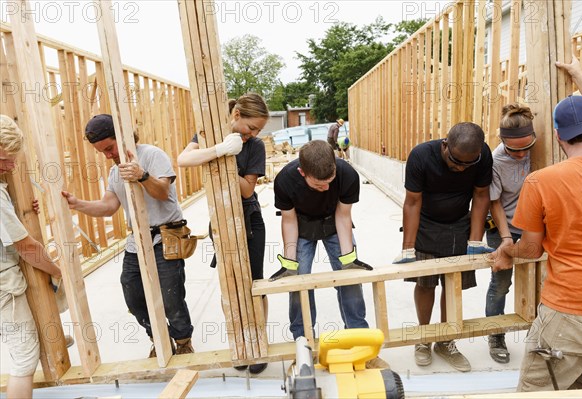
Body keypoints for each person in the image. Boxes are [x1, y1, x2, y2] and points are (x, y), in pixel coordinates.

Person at [489, 94, 582, 391]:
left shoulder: (543, 181)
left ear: (557, 135)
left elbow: (531, 249)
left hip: (571, 312)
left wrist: (506, 248)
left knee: (537, 393)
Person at [61, 114, 194, 357]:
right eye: (102, 152)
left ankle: (183, 340)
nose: (107, 155)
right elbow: (108, 207)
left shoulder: (152, 155)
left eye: (109, 148)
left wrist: (141, 176)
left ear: (121, 138)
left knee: (171, 297)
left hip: (166, 236)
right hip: (137, 241)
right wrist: (76, 204)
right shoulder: (116, 172)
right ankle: (159, 337)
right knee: (132, 293)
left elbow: (163, 192)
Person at [270, 139, 388, 369]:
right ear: (302, 172)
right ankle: (303, 343)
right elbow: (289, 220)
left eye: (329, 182)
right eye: (318, 185)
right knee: (298, 283)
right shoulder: (285, 180)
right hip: (301, 227)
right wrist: (290, 263)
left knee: (350, 279)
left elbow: (343, 216)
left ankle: (358, 338)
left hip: (334, 223)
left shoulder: (347, 175)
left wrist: (348, 261)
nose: (325, 188)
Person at [177, 93, 270, 374]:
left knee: (254, 283)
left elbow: (246, 190)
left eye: (258, 130)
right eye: (251, 127)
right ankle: (239, 343)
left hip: (248, 218)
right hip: (219, 218)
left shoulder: (254, 147)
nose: (253, 134)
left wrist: (229, 158)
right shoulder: (209, 134)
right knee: (229, 282)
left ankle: (259, 343)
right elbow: (183, 160)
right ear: (236, 114)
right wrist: (219, 149)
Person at [393, 122, 494, 372]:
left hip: (460, 224)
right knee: (426, 284)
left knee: (453, 285)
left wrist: (475, 239)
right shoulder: (421, 156)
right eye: (455, 161)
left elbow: (481, 196)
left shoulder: (483, 156)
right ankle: (424, 338)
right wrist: (408, 248)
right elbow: (413, 202)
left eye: (467, 164)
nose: (460, 168)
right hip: (425, 223)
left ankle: (445, 341)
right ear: (445, 145)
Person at [1, 115, 63, 399]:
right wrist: (57, 269)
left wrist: (20, 208)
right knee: (24, 358)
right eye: (5, 158)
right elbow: (26, 247)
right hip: (4, 287)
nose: (11, 165)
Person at [485, 104, 536, 364]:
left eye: (526, 148)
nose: (522, 154)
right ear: (503, 140)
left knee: (540, 279)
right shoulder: (494, 161)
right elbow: (494, 202)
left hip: (535, 225)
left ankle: (539, 334)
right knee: (501, 282)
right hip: (503, 224)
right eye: (515, 149)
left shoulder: (541, 150)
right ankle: (495, 334)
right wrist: (506, 239)